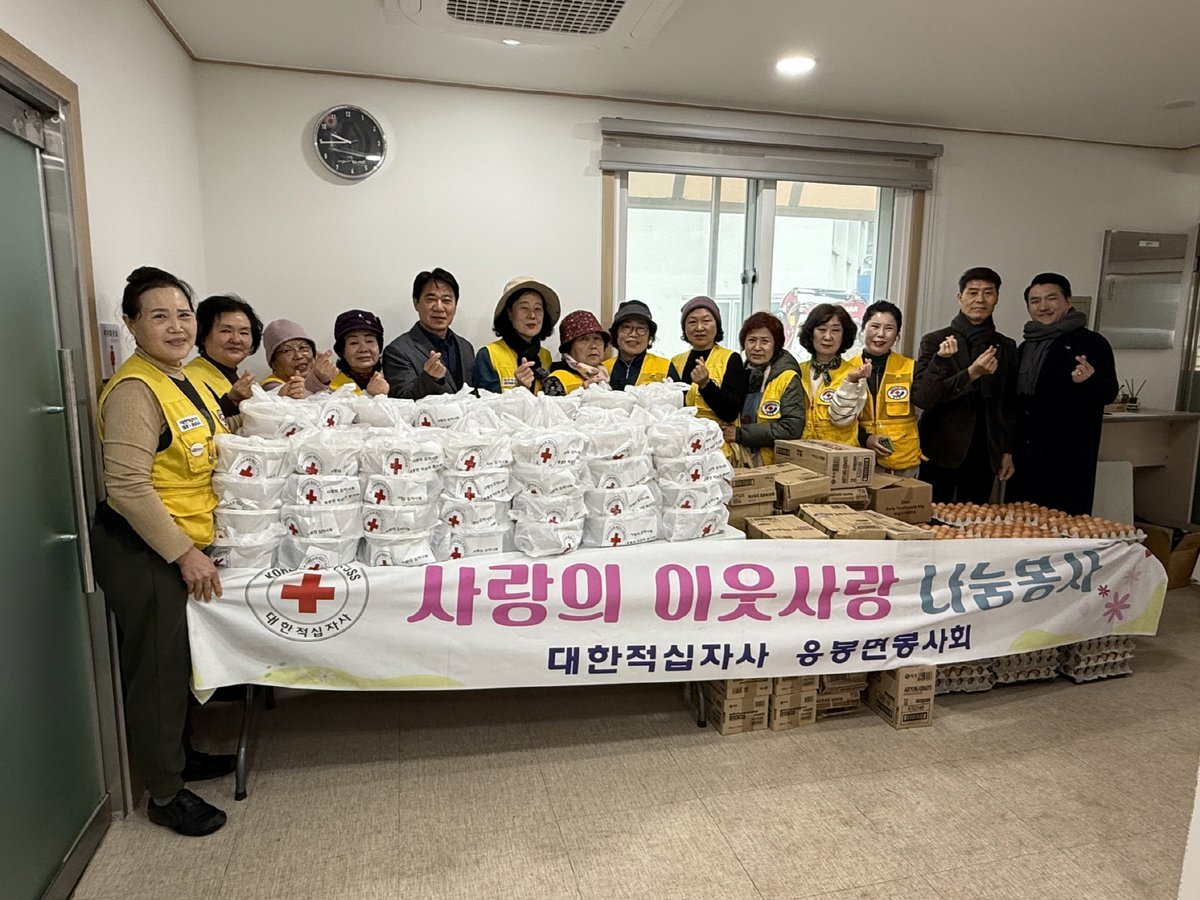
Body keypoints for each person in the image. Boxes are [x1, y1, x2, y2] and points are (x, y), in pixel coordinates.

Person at [91, 266, 232, 837]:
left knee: (178, 662)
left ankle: (181, 756)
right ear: (130, 324)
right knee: (156, 669)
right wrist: (182, 554)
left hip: (183, 540)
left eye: (183, 315)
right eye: (159, 316)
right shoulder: (135, 389)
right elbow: (126, 486)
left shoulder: (180, 378)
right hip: (146, 549)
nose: (176, 327)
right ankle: (166, 793)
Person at [1007, 273, 1119, 514]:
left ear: (1068, 300)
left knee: (1065, 524)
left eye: (1051, 298)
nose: (1043, 306)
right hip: (1026, 455)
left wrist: (1089, 380)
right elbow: (1016, 402)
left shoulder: (1092, 343)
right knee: (1019, 520)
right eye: (1035, 301)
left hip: (1069, 456)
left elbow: (1109, 393)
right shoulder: (1026, 346)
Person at [912, 266, 1018, 503]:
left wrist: (1007, 450)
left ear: (997, 298)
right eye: (972, 292)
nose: (980, 299)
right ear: (960, 298)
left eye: (988, 293)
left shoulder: (1006, 346)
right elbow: (924, 398)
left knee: (976, 519)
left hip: (985, 452)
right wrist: (971, 374)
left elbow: (1009, 405)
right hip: (939, 449)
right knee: (932, 517)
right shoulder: (935, 341)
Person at [837, 301, 922, 476]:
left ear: (897, 335)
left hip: (903, 460)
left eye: (889, 328)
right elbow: (841, 418)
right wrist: (866, 438)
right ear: (863, 329)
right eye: (874, 326)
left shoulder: (911, 367)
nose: (881, 334)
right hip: (859, 459)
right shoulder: (846, 370)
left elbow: (927, 400)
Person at [721, 311, 805, 466]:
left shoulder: (787, 378)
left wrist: (741, 434)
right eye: (751, 340)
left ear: (776, 345)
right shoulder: (740, 373)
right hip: (739, 460)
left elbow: (791, 428)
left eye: (765, 341)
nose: (757, 347)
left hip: (772, 464)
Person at [668, 296, 748, 455]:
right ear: (684, 328)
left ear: (717, 325)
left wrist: (706, 385)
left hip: (719, 447)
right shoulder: (676, 362)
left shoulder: (730, 358)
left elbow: (731, 412)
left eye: (706, 321)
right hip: (683, 447)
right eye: (692, 322)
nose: (699, 328)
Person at [382, 267, 476, 399]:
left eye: (446, 300)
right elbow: (401, 399)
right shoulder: (397, 351)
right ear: (416, 303)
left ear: (455, 305)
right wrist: (430, 378)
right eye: (431, 299)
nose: (439, 307)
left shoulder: (466, 347)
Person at [796, 303, 867, 445]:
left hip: (841, 453)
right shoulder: (797, 371)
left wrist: (850, 382)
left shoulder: (854, 374)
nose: (828, 337)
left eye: (835, 330)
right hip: (804, 451)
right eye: (821, 329)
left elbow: (841, 419)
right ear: (810, 333)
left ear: (844, 335)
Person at [474, 277, 560, 393]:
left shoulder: (545, 356)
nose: (532, 315)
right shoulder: (488, 354)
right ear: (509, 313)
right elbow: (484, 402)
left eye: (538, 308)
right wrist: (518, 390)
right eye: (524, 307)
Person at [184, 293, 262, 417]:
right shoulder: (189, 378)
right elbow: (200, 422)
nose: (236, 339)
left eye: (244, 332)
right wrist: (231, 401)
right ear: (203, 335)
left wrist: (280, 399)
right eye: (226, 331)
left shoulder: (232, 374)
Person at [305, 309, 390, 396]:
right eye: (354, 343)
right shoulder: (329, 381)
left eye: (369, 341)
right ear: (342, 351)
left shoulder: (392, 374)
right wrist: (318, 378)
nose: (363, 349)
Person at [603, 300, 670, 390]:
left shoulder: (665, 367)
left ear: (649, 336)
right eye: (626, 327)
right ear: (616, 334)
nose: (633, 334)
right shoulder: (603, 368)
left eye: (641, 328)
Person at [544, 310, 611, 395]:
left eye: (597, 338)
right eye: (584, 339)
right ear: (568, 348)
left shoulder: (606, 375)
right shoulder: (556, 379)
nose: (593, 346)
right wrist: (580, 393)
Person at [261, 318, 316, 399]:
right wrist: (320, 380)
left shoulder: (326, 377)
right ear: (274, 363)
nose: (299, 356)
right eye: (287, 351)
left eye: (303, 347)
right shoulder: (271, 387)